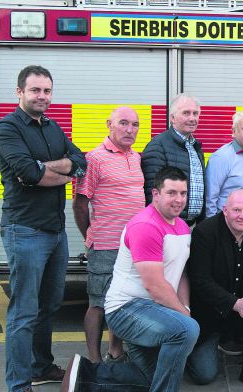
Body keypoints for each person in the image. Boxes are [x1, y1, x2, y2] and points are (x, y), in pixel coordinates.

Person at [0, 65, 87, 392]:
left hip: (55, 232)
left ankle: (41, 366)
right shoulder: (6, 129)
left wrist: (50, 169)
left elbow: (79, 161)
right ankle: (19, 385)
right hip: (25, 230)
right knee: (23, 313)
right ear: (19, 92)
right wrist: (59, 171)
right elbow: (26, 174)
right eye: (35, 90)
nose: (42, 96)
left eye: (47, 91)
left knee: (49, 305)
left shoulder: (51, 126)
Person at [61, 167, 199, 392]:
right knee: (187, 330)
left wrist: (185, 307)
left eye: (183, 193)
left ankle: (84, 377)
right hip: (126, 310)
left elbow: (181, 272)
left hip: (154, 311)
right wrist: (184, 318)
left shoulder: (182, 226)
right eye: (171, 193)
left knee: (152, 378)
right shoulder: (146, 225)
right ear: (156, 194)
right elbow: (154, 286)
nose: (179, 199)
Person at [185, 190, 243, 391]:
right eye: (236, 210)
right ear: (225, 210)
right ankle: (196, 349)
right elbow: (200, 281)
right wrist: (235, 304)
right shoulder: (205, 232)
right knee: (204, 375)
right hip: (211, 312)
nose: (242, 216)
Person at [73, 106, 145, 364]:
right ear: (109, 125)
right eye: (123, 123)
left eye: (135, 124)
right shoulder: (94, 158)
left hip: (132, 245)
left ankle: (115, 349)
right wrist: (91, 235)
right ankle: (93, 360)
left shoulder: (136, 157)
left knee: (122, 300)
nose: (130, 129)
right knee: (98, 303)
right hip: (105, 245)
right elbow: (80, 204)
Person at [141, 93, 206, 226]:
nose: (192, 118)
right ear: (172, 118)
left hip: (192, 226)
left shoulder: (195, 147)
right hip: (167, 225)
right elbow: (151, 193)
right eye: (186, 113)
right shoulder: (158, 145)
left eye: (195, 113)